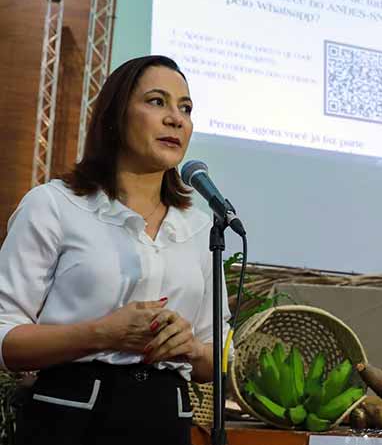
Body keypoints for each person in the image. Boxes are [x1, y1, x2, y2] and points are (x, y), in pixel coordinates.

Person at [0, 55, 230, 445]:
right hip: (69, 415)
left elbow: (219, 359)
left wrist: (189, 347)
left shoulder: (200, 226)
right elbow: (5, 339)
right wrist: (102, 334)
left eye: (185, 108)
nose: (175, 118)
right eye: (157, 102)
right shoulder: (54, 205)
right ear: (115, 115)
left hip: (165, 418)